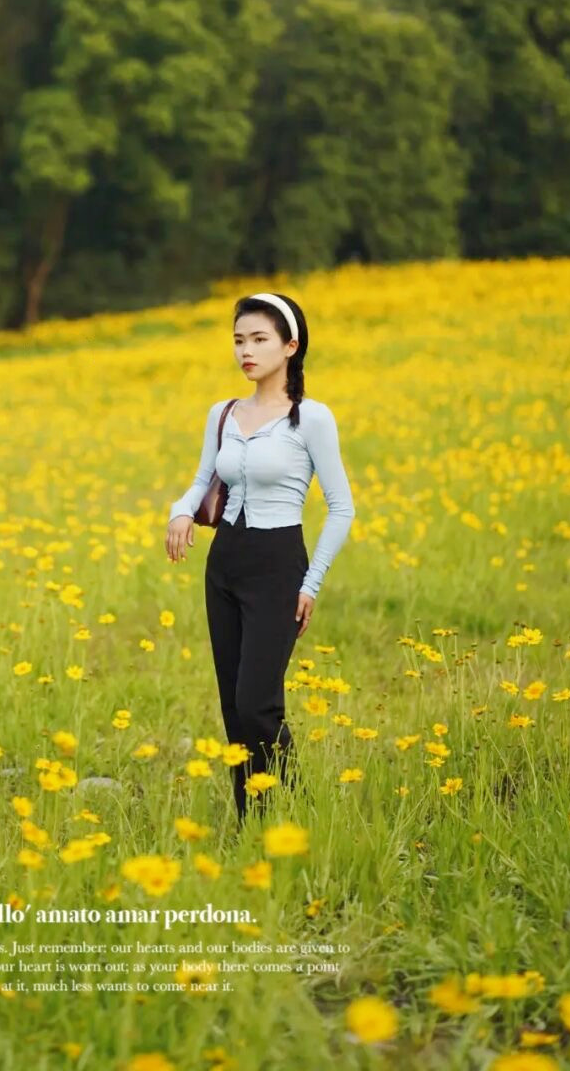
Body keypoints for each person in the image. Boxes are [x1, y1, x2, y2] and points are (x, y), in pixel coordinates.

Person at [164, 291, 355, 827]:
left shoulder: (311, 418)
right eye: (239, 340)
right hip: (225, 562)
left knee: (257, 704)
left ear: (290, 346)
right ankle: (254, 821)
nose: (245, 351)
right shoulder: (224, 413)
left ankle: (298, 808)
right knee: (233, 707)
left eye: (259, 339)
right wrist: (181, 512)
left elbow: (341, 507)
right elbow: (203, 479)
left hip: (278, 566)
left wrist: (310, 583)